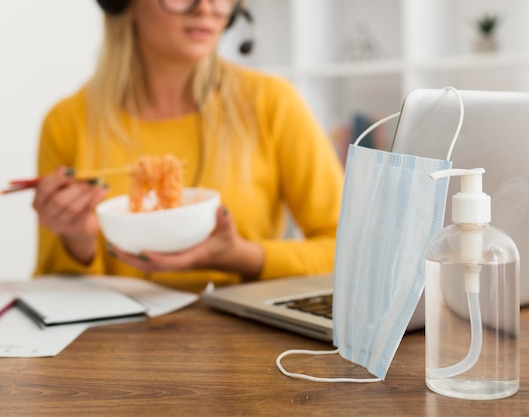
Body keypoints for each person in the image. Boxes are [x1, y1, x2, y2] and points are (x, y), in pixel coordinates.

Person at [32, 0, 344, 293]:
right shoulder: (67, 122)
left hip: (245, 337)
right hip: (119, 341)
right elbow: (51, 293)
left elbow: (348, 250)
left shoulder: (271, 103)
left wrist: (243, 256)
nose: (206, 8)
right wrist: (77, 242)